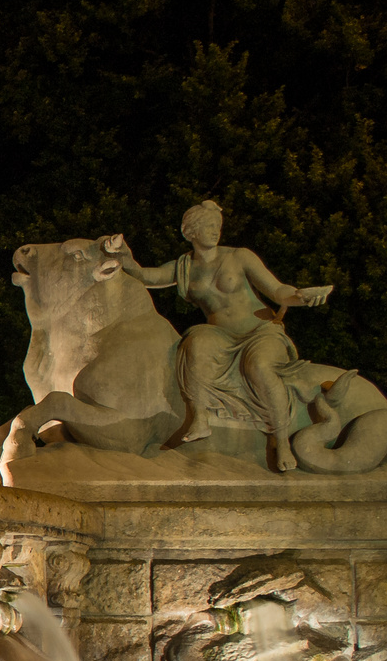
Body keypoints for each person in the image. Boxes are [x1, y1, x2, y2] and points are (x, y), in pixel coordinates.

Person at [116, 200, 335, 472]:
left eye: (217, 226)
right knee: (195, 341)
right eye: (208, 226)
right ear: (190, 232)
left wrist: (301, 296)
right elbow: (146, 276)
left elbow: (278, 291)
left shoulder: (239, 256)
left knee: (260, 367)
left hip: (259, 331)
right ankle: (200, 419)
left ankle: (281, 440)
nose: (215, 231)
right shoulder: (183, 266)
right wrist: (125, 257)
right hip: (219, 335)